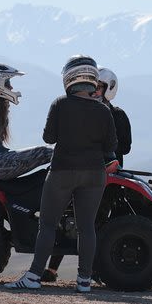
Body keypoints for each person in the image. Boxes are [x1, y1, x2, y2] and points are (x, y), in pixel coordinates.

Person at [5, 55, 117, 293]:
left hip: (62, 172)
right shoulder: (103, 111)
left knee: (47, 224)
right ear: (92, 78)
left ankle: (34, 276)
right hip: (94, 174)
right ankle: (84, 281)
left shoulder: (60, 104)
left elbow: (49, 138)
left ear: (69, 78)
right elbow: (110, 147)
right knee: (87, 228)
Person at [41, 66, 132, 282]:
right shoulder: (90, 110)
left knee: (88, 222)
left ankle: (87, 272)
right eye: (93, 86)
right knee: (70, 218)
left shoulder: (116, 114)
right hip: (89, 170)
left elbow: (124, 147)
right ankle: (55, 270)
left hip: (105, 173)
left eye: (99, 87)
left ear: (108, 88)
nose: (95, 91)